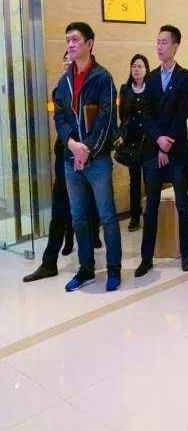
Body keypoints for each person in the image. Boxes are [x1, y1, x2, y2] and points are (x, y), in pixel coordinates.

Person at [53, 22, 122, 292]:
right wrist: (72, 145)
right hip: (71, 159)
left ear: (89, 43)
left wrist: (87, 150)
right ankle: (86, 269)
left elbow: (106, 119)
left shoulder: (102, 77)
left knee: (107, 216)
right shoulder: (64, 81)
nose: (70, 44)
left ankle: (114, 268)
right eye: (67, 40)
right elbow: (60, 117)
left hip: (97, 159)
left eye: (75, 39)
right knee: (78, 217)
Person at [23, 52, 101, 283]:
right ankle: (49, 262)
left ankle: (88, 260)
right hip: (65, 155)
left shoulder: (93, 83)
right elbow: (61, 122)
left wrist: (84, 148)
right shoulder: (60, 89)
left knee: (87, 207)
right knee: (59, 208)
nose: (68, 62)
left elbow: (95, 120)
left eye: (72, 58)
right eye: (65, 59)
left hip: (88, 154)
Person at [136, 25, 188, 277]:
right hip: (154, 149)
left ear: (175, 46)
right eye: (157, 42)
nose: (159, 47)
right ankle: (146, 258)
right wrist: (158, 139)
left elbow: (182, 113)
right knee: (151, 206)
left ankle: (186, 252)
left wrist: (167, 142)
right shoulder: (149, 78)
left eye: (164, 42)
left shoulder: (185, 77)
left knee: (182, 203)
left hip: (176, 149)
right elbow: (146, 114)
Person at [118, 54, 151, 232]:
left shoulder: (151, 88)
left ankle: (150, 215)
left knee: (149, 180)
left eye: (140, 66)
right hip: (131, 142)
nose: (136, 69)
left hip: (148, 141)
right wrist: (121, 135)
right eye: (133, 66)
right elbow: (122, 116)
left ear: (146, 69)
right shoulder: (125, 89)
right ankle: (135, 217)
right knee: (134, 181)